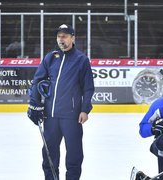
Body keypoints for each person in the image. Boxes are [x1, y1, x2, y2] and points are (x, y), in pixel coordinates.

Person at [27, 24, 95, 180]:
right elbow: (37, 81)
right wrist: (34, 105)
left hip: (72, 116)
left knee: (74, 155)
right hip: (50, 116)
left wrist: (85, 109)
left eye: (64, 36)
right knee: (49, 155)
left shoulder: (81, 60)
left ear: (72, 38)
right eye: (59, 36)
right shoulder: (50, 57)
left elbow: (88, 88)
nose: (61, 39)